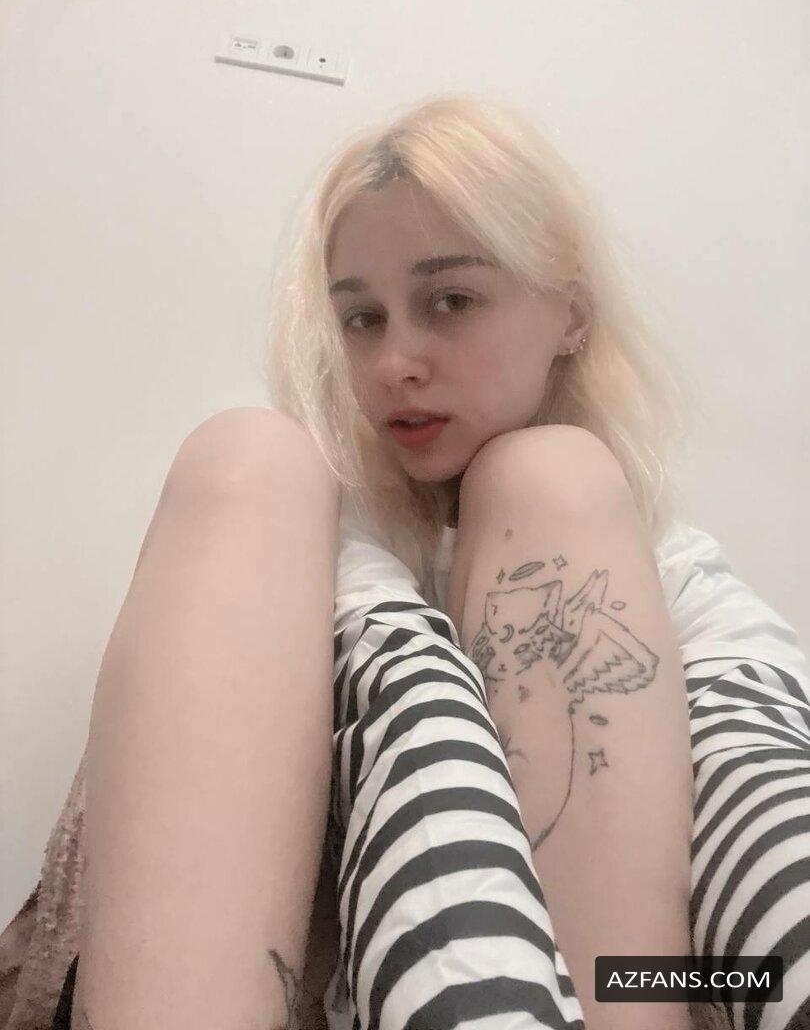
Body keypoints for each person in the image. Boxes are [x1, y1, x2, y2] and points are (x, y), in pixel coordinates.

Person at [4, 93, 805, 1030]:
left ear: (572, 316)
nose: (393, 363)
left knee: (555, 482)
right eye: (361, 318)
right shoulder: (289, 522)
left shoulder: (669, 569)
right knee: (247, 459)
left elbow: (755, 755)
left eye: (450, 301)